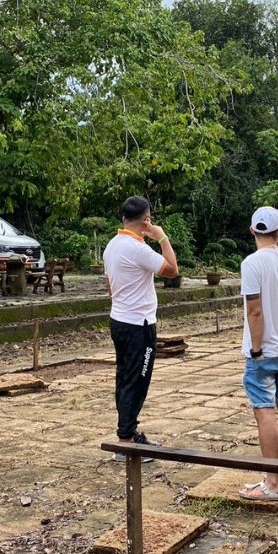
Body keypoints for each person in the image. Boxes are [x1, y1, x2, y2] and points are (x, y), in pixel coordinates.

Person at [103, 196, 179, 461]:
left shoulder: (112, 246)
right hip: (139, 325)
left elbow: (110, 286)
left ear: (124, 217)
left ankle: (128, 432)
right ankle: (126, 442)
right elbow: (172, 270)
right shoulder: (138, 249)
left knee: (125, 378)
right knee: (138, 381)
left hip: (119, 320)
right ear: (146, 220)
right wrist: (162, 238)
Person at [238, 207, 278, 502]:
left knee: (264, 410)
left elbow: (254, 310)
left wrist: (256, 349)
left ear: (253, 232)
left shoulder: (251, 264)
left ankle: (272, 483)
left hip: (264, 352)